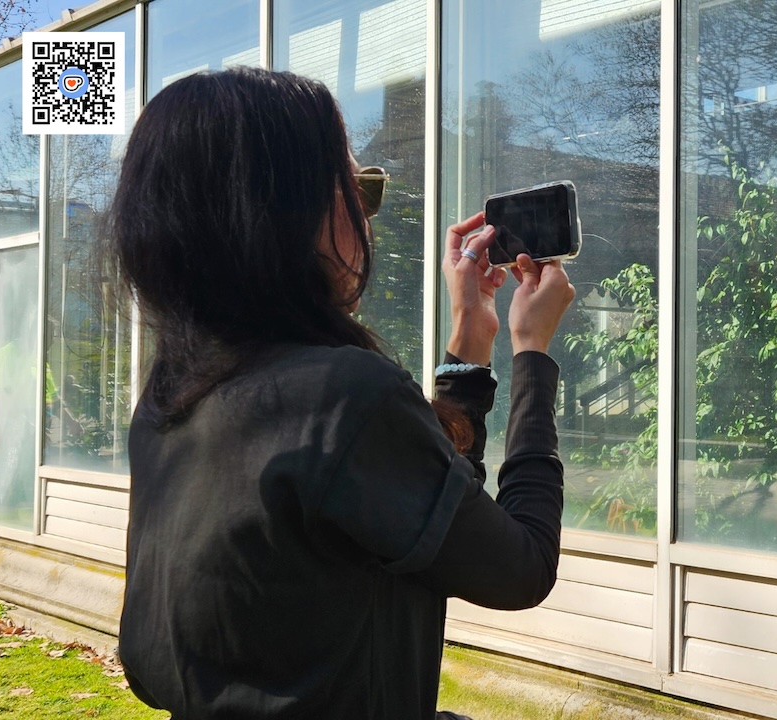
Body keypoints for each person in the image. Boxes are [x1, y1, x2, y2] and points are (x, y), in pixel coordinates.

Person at [110, 67, 575, 720]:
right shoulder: (340, 395)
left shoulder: (170, 401)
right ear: (284, 212)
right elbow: (520, 564)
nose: (367, 216)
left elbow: (424, 506)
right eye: (361, 188)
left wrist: (471, 337)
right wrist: (532, 355)